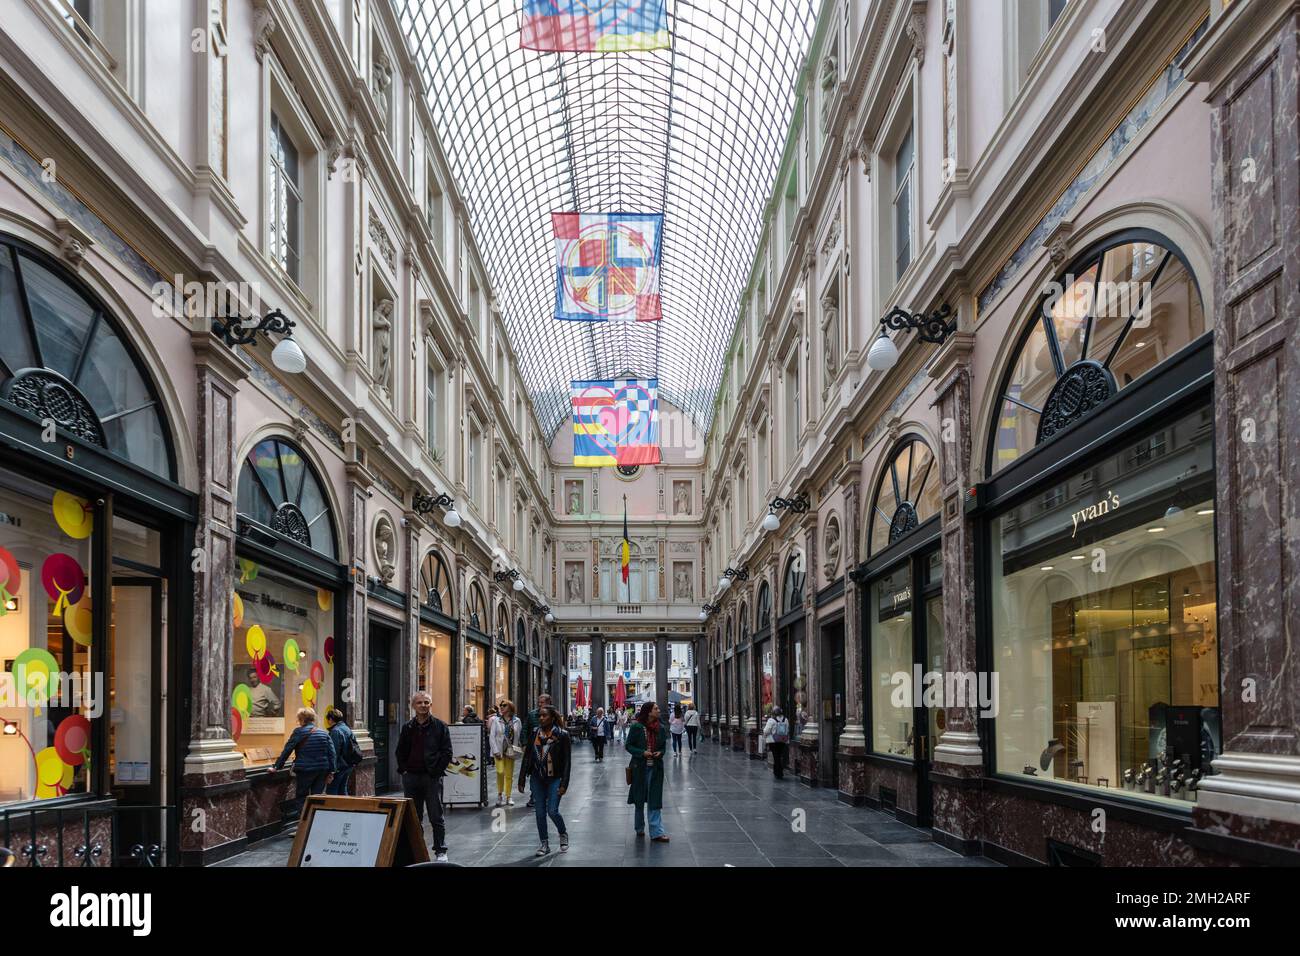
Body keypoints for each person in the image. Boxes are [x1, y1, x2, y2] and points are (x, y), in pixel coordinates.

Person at [395, 691, 453, 862]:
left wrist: (436, 771)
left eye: (426, 702)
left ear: (431, 705)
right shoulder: (408, 727)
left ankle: (440, 850)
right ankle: (417, 849)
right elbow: (400, 751)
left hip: (431, 778)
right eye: (419, 702)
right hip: (411, 777)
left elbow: (447, 752)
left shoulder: (440, 726)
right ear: (413, 706)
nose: (423, 705)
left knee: (436, 815)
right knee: (414, 817)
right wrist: (404, 770)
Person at [518, 704, 570, 856]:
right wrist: (521, 778)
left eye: (544, 715)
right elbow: (527, 756)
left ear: (552, 717)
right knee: (539, 812)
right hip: (537, 778)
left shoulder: (562, 735)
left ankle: (562, 833)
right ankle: (544, 844)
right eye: (539, 715)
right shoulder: (535, 733)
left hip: (555, 778)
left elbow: (567, 762)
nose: (541, 718)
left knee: (552, 811)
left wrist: (564, 783)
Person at [273, 707, 336, 820]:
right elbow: (332, 754)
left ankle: (303, 824)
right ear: (312, 719)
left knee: (302, 797)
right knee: (317, 797)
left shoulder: (298, 732)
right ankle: (316, 822)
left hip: (305, 770)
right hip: (322, 770)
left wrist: (277, 766)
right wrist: (331, 771)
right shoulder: (324, 733)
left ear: (301, 719)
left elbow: (288, 750)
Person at [625, 702, 669, 842]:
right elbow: (628, 745)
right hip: (639, 768)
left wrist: (659, 753)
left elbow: (663, 747)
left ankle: (657, 832)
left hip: (655, 768)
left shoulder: (660, 728)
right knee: (639, 798)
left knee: (654, 798)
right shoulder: (636, 727)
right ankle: (639, 827)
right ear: (649, 712)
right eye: (656, 708)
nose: (658, 710)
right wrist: (642, 752)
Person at [520, 693, 552, 808]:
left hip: (549, 750)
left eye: (542, 702)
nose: (539, 704)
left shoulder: (553, 715)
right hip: (534, 750)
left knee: (547, 773)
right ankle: (534, 795)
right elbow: (524, 730)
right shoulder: (532, 714)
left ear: (548, 703)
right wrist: (524, 744)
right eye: (538, 702)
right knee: (534, 773)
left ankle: (546, 795)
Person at [489, 699, 522, 806]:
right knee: (500, 772)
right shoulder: (496, 720)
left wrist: (518, 749)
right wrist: (495, 750)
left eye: (504, 705)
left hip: (511, 751)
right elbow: (492, 736)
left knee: (509, 774)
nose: (501, 707)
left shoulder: (517, 721)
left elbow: (519, 736)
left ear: (510, 708)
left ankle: (508, 796)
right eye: (500, 705)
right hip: (499, 751)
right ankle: (499, 795)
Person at [324, 706, 361, 795]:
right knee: (342, 789)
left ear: (331, 719)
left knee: (332, 790)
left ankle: (333, 809)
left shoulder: (335, 731)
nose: (328, 722)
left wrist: (332, 770)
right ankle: (345, 808)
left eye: (328, 719)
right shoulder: (347, 728)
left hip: (340, 766)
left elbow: (334, 752)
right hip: (348, 764)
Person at [762, 706, 791, 780]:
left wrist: (764, 736)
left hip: (773, 741)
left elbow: (766, 731)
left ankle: (778, 772)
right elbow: (787, 730)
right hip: (783, 741)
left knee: (776, 757)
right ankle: (778, 771)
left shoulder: (771, 720)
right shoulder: (786, 719)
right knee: (780, 755)